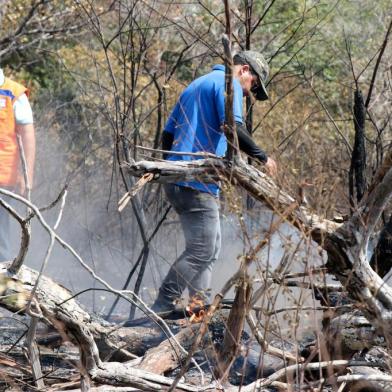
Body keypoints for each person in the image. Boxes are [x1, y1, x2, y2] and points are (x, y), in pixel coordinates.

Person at [152, 51, 277, 312]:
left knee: (208, 249)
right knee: (202, 250)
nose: (248, 93)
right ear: (244, 70)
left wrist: (172, 167)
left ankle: (199, 310)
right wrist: (263, 158)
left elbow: (167, 134)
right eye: (253, 85)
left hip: (179, 180)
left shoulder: (197, 84)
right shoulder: (228, 85)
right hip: (195, 182)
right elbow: (232, 127)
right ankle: (161, 306)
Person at [0, 67, 36, 261]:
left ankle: (3, 284)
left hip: (3, 180)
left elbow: (27, 135)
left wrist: (27, 175)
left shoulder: (13, 93)